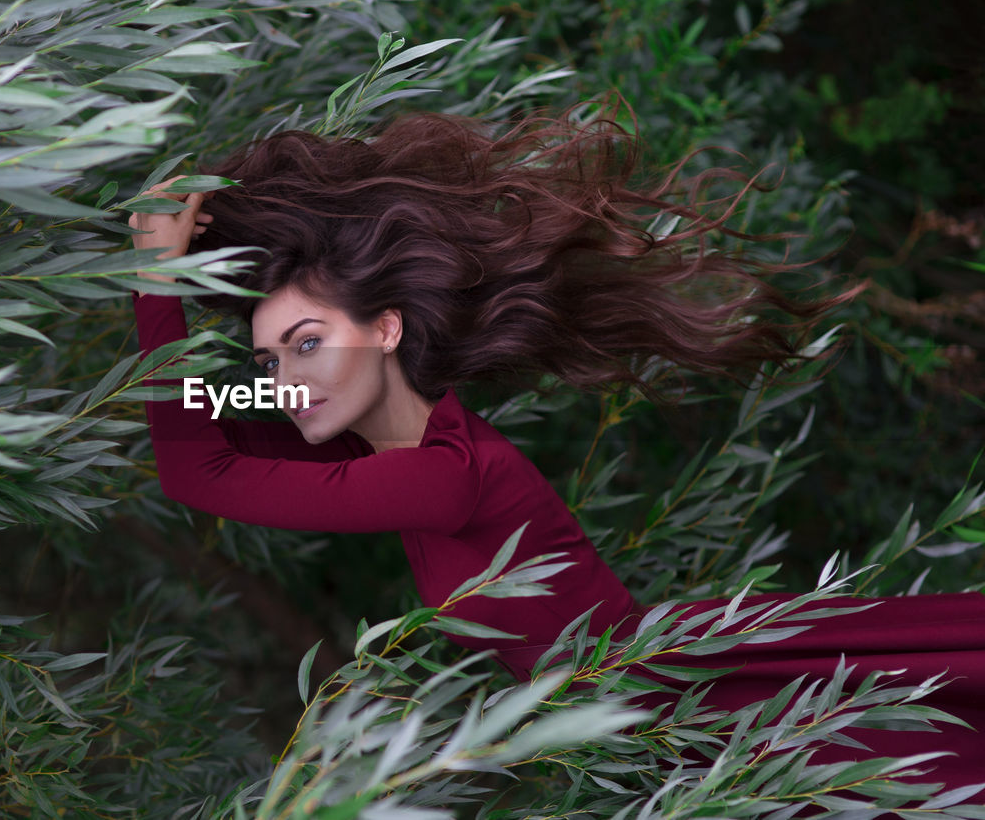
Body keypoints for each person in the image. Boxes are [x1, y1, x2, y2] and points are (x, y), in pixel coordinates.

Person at [127, 106, 985, 791]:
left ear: (386, 327)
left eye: (308, 344)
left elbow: (196, 468)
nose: (284, 377)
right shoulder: (385, 442)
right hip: (650, 715)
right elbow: (207, 422)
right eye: (269, 359)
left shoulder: (442, 477)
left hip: (695, 704)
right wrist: (175, 293)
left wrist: (154, 284)